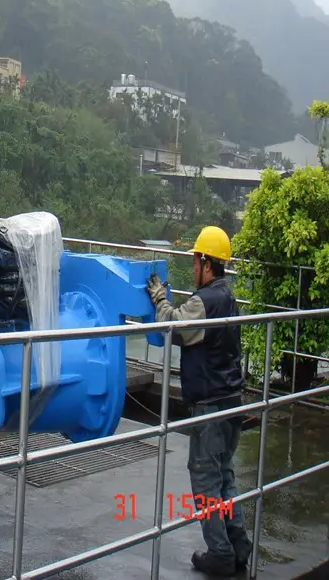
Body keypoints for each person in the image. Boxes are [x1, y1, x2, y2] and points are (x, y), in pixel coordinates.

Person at [145, 225, 252, 577]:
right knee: (224, 477)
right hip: (231, 400)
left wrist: (160, 298)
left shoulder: (204, 301)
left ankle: (219, 553)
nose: (192, 266)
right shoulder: (228, 296)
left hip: (211, 405)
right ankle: (238, 546)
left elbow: (173, 327)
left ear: (206, 263)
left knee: (206, 479)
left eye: (195, 260)